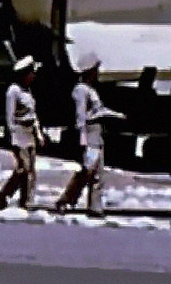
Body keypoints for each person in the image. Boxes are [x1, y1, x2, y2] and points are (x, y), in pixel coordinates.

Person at [55, 51, 121, 217]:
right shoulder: (80, 90)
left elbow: (100, 110)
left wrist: (116, 115)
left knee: (97, 174)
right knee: (87, 171)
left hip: (97, 136)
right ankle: (66, 199)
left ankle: (95, 207)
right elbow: (81, 116)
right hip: (89, 135)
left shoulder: (91, 90)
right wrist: (82, 138)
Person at [0, 55, 44, 209]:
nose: (33, 76)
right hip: (19, 135)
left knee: (29, 171)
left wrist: (39, 134)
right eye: (31, 73)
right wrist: (12, 133)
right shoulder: (13, 91)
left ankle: (25, 200)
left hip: (29, 135)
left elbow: (33, 114)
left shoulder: (28, 92)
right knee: (24, 167)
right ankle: (5, 194)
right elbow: (10, 115)